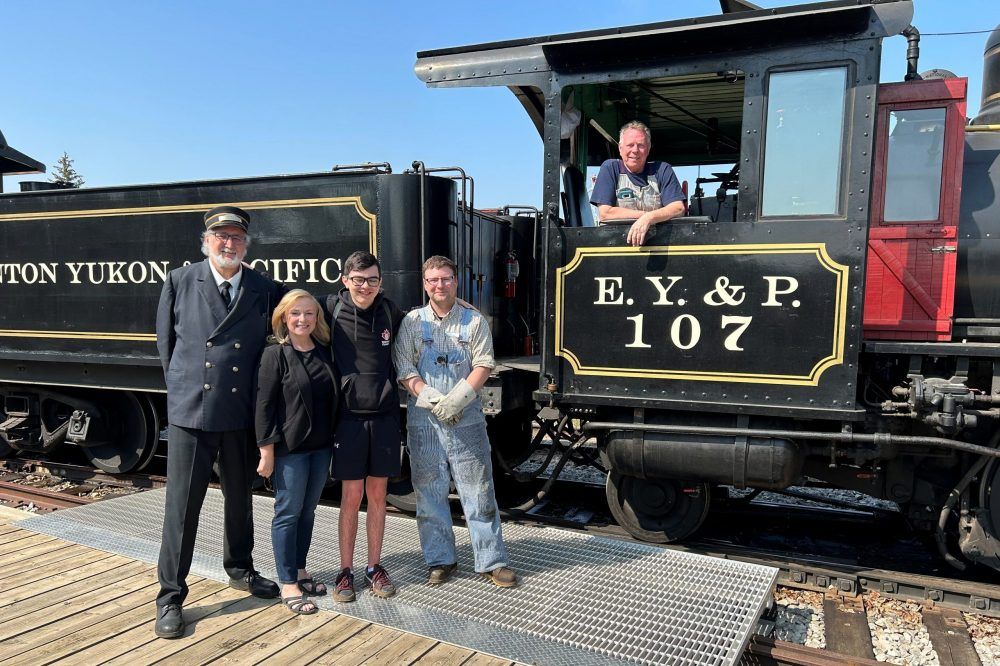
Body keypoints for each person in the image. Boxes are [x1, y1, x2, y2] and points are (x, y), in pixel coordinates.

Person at [154, 205, 285, 638]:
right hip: (193, 411)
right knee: (181, 507)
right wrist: (183, 396)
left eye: (236, 238)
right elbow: (167, 347)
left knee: (239, 500)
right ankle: (170, 595)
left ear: (246, 244)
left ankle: (241, 569)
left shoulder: (264, 288)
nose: (228, 244)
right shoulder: (179, 280)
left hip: (239, 412)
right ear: (206, 240)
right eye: (221, 237)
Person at [394, 255, 516, 588]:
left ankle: (492, 561)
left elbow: (484, 363)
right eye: (433, 280)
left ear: (455, 281)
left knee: (478, 490)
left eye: (445, 278)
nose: (440, 285)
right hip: (424, 420)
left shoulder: (475, 322)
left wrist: (458, 399)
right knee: (429, 492)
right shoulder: (412, 323)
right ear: (424, 283)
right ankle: (440, 560)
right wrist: (434, 400)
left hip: (467, 418)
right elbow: (405, 368)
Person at [322, 250, 406, 602]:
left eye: (372, 279)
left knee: (377, 496)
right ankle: (345, 571)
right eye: (358, 279)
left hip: (385, 416)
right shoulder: (330, 308)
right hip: (349, 419)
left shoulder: (390, 311)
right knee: (350, 496)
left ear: (380, 282)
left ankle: (374, 566)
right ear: (345, 280)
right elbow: (287, 303)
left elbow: (430, 313)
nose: (365, 286)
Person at [255, 289, 338, 615]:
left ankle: (301, 570)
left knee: (308, 512)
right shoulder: (275, 355)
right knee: (288, 513)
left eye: (308, 313)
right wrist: (267, 451)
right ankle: (288, 581)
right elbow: (263, 407)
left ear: (316, 318)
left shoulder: (325, 352)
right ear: (284, 318)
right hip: (291, 449)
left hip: (320, 449)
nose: (302, 319)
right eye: (295, 314)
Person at [589, 120, 687, 246]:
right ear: (620, 148)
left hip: (659, 245)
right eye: (630, 145)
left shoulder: (663, 169)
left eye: (641, 145)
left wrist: (649, 219)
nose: (635, 150)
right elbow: (605, 213)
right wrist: (644, 216)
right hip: (617, 246)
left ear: (648, 148)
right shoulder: (610, 168)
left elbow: (678, 208)